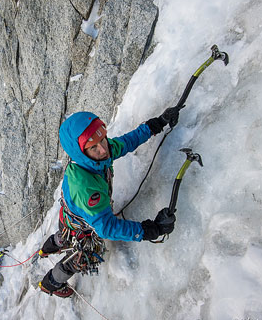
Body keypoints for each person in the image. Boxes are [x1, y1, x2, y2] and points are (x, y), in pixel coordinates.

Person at [38, 108, 179, 297]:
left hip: (71, 217)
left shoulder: (92, 156)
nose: (103, 149)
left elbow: (124, 143)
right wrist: (150, 230)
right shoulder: (86, 187)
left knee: (65, 234)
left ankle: (49, 247)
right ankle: (51, 283)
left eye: (102, 139)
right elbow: (106, 228)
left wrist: (156, 124)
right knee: (80, 259)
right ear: (81, 151)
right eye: (94, 147)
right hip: (83, 225)